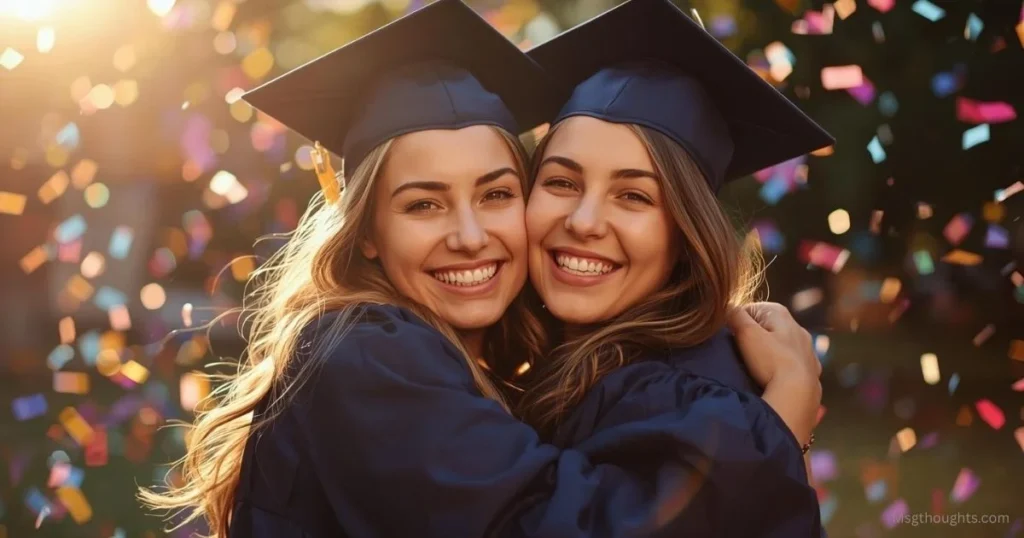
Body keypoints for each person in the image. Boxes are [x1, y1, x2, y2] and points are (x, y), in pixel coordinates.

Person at [141, 1, 829, 536]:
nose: (471, 236)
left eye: (497, 193)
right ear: (368, 231)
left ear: (687, 230)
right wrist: (780, 426)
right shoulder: (370, 352)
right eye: (423, 204)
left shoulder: (671, 385)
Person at [508, 0, 834, 534]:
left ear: (686, 232)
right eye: (562, 182)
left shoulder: (675, 398)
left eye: (633, 196)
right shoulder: (587, 366)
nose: (585, 221)